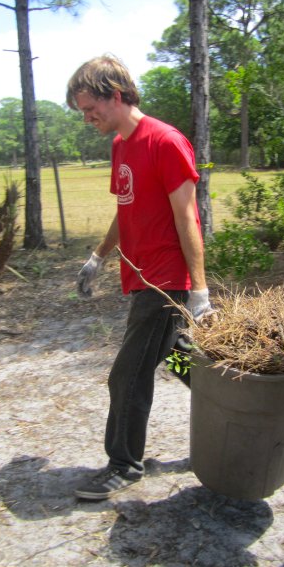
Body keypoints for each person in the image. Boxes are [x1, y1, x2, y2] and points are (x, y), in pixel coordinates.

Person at [66, 54, 211, 501]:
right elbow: (125, 209)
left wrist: (199, 291)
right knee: (179, 358)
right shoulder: (120, 145)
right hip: (140, 274)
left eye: (91, 108)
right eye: (82, 112)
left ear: (116, 94)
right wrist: (98, 257)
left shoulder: (165, 142)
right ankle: (235, 400)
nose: (87, 118)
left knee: (127, 375)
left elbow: (188, 217)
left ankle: (124, 464)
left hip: (164, 280)